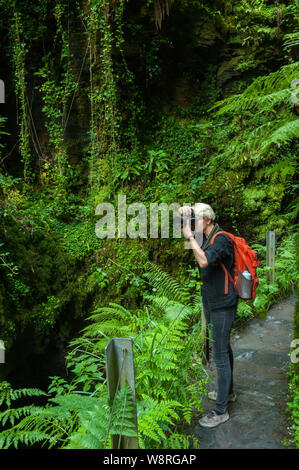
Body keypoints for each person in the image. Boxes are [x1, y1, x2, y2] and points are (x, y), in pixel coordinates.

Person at [178, 203, 238, 428]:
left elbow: (203, 260)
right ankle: (228, 393)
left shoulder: (221, 239)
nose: (194, 223)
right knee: (225, 349)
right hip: (213, 303)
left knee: (219, 354)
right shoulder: (206, 236)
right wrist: (183, 214)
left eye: (197, 219)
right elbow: (193, 243)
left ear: (208, 220)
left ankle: (221, 411)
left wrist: (189, 236)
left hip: (223, 304)